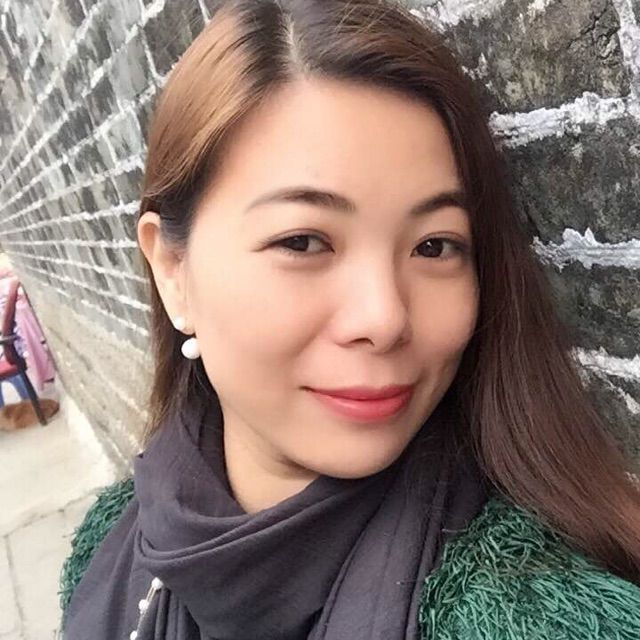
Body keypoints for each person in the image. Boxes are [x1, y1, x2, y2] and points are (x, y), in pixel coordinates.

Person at [59, 1, 640, 638]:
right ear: (174, 269)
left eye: (434, 246)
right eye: (303, 241)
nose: (384, 318)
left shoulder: (535, 614)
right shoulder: (109, 546)